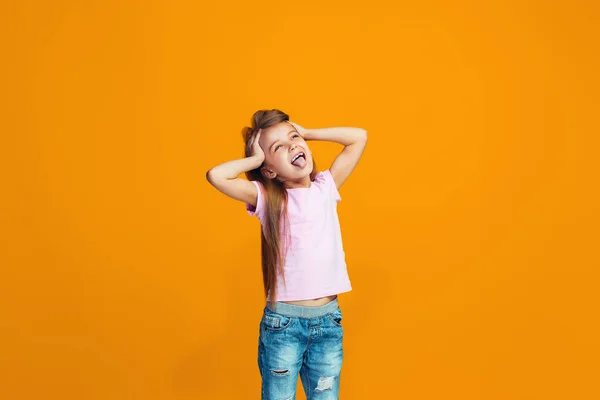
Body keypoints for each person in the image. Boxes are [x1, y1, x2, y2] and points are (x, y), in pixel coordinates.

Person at [206, 109, 367, 399]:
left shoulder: (325, 188)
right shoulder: (267, 199)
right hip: (284, 326)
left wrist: (306, 132)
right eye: (278, 147)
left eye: (293, 138)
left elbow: (359, 137)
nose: (293, 145)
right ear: (269, 170)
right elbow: (216, 175)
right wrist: (255, 159)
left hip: (328, 322)